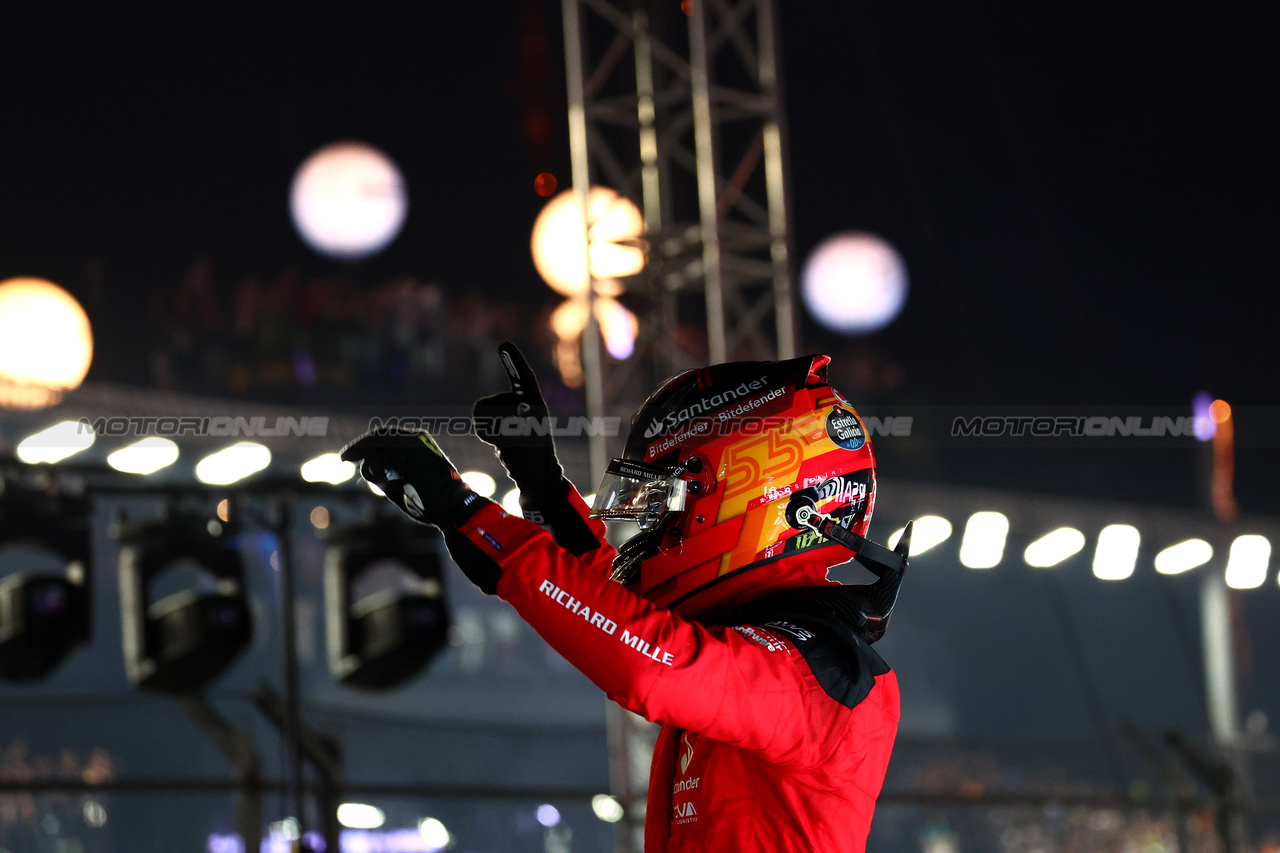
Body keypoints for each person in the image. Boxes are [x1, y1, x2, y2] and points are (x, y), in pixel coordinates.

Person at [340, 343, 907, 853]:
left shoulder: (827, 669)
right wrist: (538, 483)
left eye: (669, 505)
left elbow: (650, 662)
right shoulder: (755, 642)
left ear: (755, 494)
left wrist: (464, 510)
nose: (652, 528)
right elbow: (614, 614)